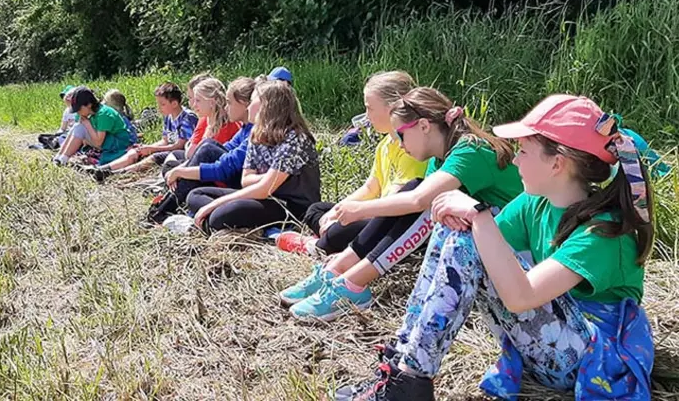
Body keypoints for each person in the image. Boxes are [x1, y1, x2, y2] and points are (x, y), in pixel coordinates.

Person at [335, 95, 655, 401]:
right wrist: (466, 218)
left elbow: (521, 298)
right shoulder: (536, 203)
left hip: (588, 362)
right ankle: (402, 362)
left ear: (557, 163)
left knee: (468, 233)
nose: (514, 159)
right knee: (457, 231)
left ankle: (411, 380)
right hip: (549, 343)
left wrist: (478, 215)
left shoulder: (604, 232)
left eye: (524, 152)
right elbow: (478, 251)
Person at [284, 87, 522, 321]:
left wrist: (359, 210)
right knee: (416, 189)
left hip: (515, 251)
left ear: (424, 126)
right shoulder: (440, 158)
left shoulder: (471, 151)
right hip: (487, 239)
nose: (398, 143)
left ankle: (353, 284)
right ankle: (337, 269)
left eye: (400, 134)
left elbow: (419, 201)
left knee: (425, 202)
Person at [277, 71, 427, 256]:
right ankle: (327, 241)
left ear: (392, 108)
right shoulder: (385, 145)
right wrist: (338, 211)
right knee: (316, 210)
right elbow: (370, 188)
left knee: (341, 230)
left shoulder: (412, 148)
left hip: (393, 218)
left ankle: (316, 246)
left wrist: (353, 215)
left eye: (369, 108)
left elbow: (394, 203)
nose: (366, 115)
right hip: (375, 210)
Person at [186, 80, 320, 234]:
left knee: (220, 215)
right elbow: (246, 180)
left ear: (268, 105)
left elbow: (264, 189)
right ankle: (219, 224)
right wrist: (270, 176)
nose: (248, 107)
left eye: (253, 101)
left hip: (289, 205)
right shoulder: (257, 134)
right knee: (195, 195)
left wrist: (213, 205)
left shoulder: (295, 139)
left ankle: (215, 222)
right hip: (264, 196)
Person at [152, 77, 255, 218]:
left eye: (229, 103)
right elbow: (222, 149)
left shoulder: (252, 132)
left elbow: (222, 167)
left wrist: (181, 171)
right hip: (226, 175)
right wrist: (181, 170)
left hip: (235, 184)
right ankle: (166, 206)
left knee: (195, 193)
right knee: (203, 150)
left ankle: (163, 209)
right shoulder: (245, 128)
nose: (226, 107)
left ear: (245, 105)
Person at [91, 82, 197, 181]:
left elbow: (179, 146)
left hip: (178, 154)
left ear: (174, 103)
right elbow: (164, 140)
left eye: (162, 104)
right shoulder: (168, 117)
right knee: (135, 151)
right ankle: (104, 169)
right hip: (168, 148)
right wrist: (146, 147)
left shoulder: (187, 118)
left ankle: (116, 174)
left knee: (151, 158)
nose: (159, 108)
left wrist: (152, 149)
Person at [52, 86, 132, 166]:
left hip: (118, 143)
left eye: (79, 110)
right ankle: (59, 156)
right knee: (77, 127)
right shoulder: (89, 113)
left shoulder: (104, 114)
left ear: (89, 105)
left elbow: (98, 142)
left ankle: (63, 160)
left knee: (80, 128)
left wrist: (87, 124)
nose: (78, 113)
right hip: (106, 141)